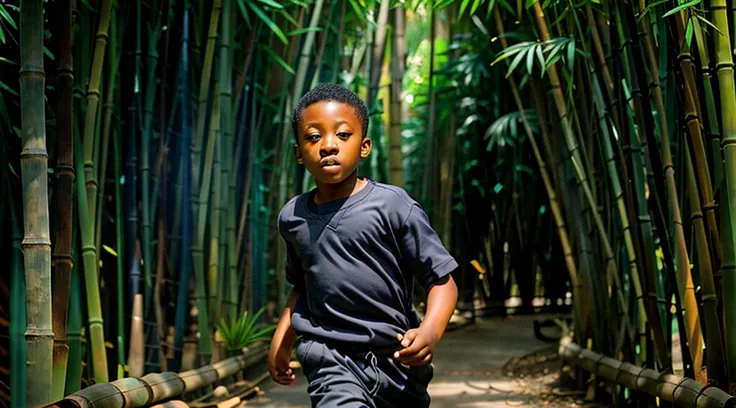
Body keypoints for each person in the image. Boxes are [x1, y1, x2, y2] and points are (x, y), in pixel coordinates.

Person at [267, 83, 459, 408]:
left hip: (396, 359)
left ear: (365, 146)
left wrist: (429, 331)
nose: (328, 145)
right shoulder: (293, 217)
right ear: (299, 152)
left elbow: (442, 280)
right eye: (314, 137)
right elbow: (302, 287)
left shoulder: (394, 206)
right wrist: (281, 341)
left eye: (343, 135)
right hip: (329, 354)